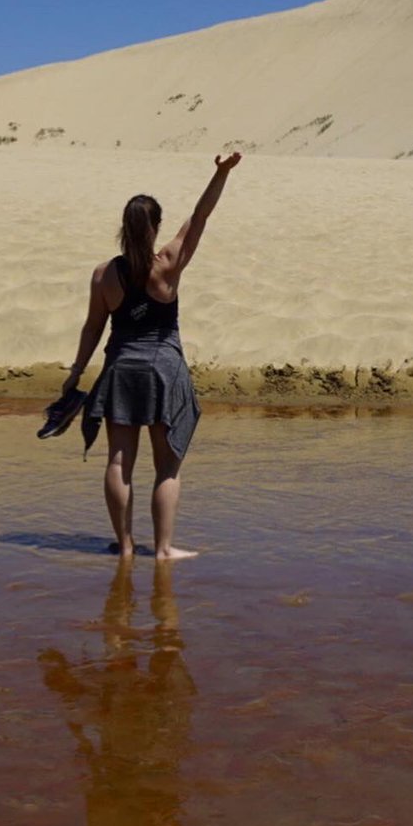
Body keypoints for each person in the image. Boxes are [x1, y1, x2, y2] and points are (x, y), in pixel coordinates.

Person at [63, 152, 242, 559]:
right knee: (167, 467)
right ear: (156, 227)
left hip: (121, 370)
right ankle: (162, 550)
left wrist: (75, 372)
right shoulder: (168, 264)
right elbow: (200, 217)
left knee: (118, 463)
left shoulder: (104, 274)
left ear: (123, 229)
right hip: (163, 370)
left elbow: (94, 327)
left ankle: (125, 547)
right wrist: (221, 173)